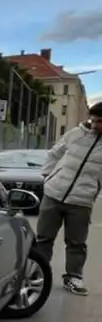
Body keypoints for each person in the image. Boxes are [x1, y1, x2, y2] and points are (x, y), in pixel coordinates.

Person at [34, 101, 102, 295]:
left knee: (76, 243)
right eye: (94, 120)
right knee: (44, 238)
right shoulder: (76, 133)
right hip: (54, 194)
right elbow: (54, 153)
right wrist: (47, 175)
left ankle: (73, 277)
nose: (96, 125)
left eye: (101, 122)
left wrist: (94, 191)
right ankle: (38, 272)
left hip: (81, 201)